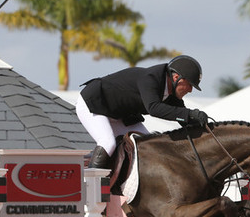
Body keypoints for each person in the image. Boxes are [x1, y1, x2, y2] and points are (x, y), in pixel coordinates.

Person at [77, 55, 210, 169]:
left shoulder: (171, 93)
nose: (190, 90)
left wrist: (201, 127)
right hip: (94, 103)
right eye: (190, 85)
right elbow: (154, 109)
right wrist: (190, 114)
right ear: (176, 78)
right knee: (108, 142)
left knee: (150, 146)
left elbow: (181, 116)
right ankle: (90, 186)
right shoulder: (151, 78)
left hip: (119, 115)